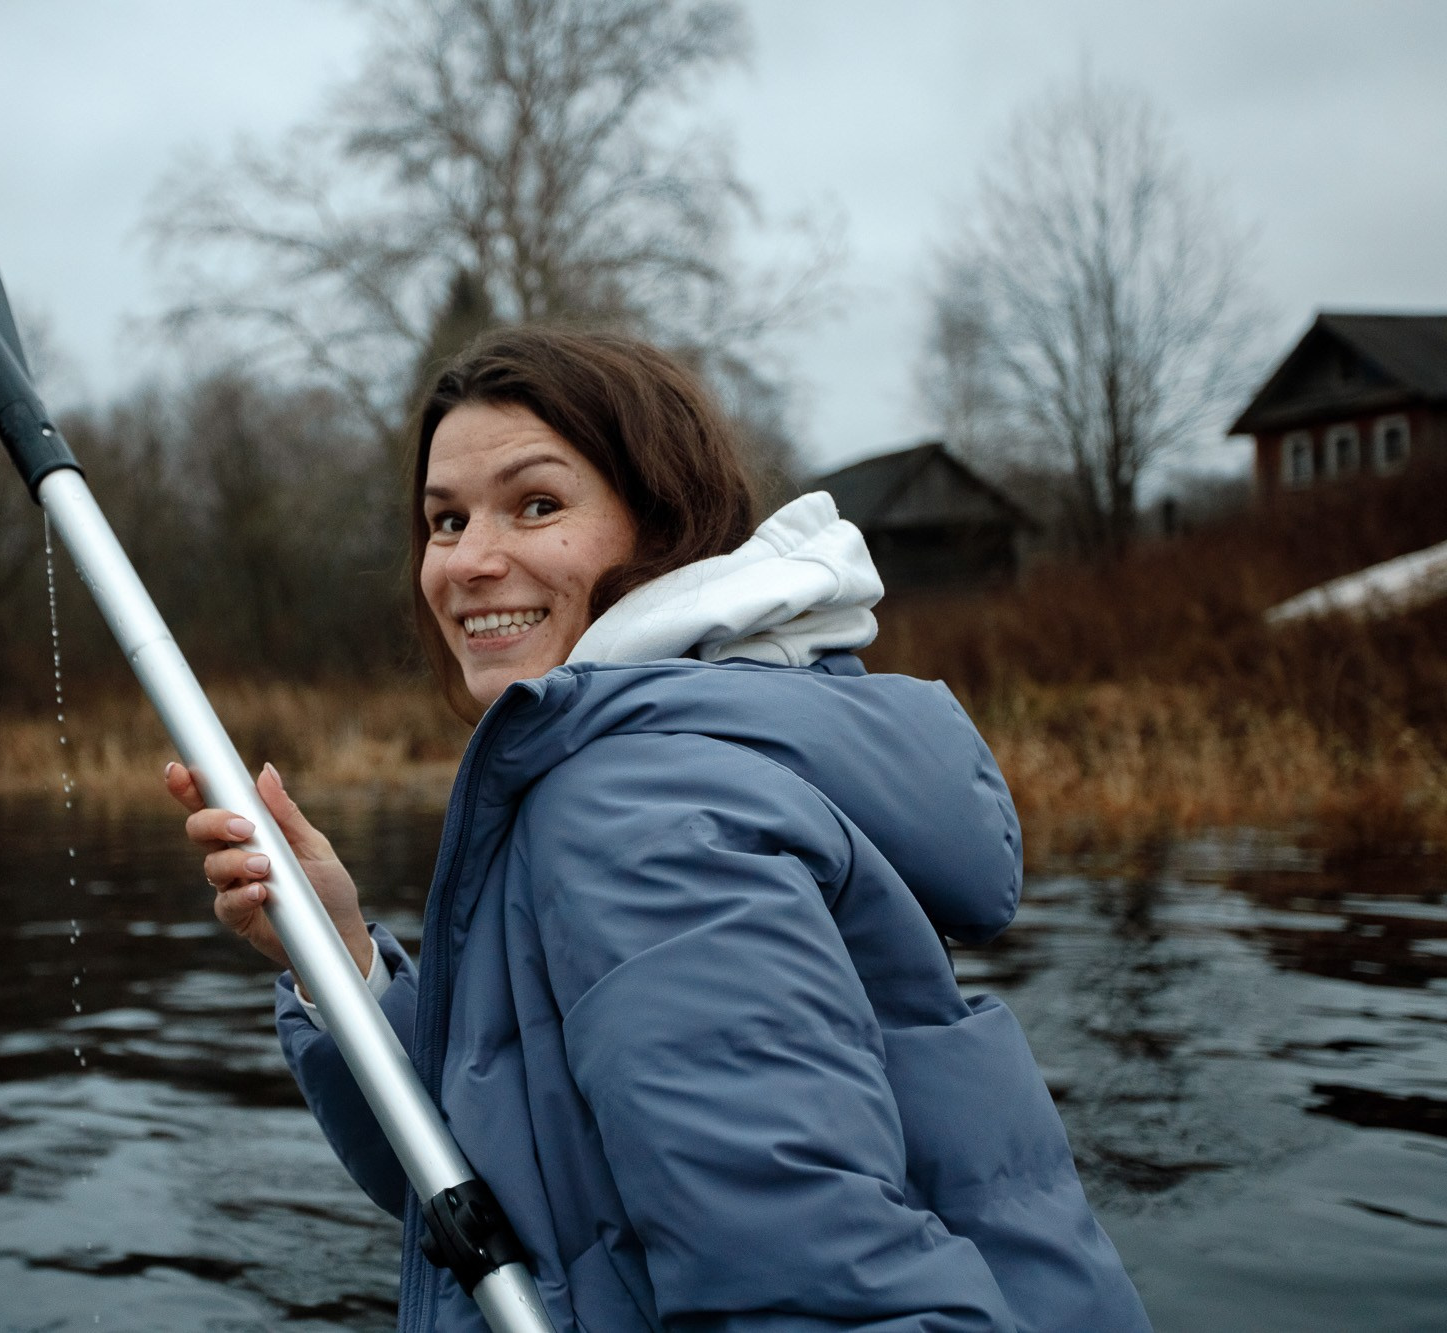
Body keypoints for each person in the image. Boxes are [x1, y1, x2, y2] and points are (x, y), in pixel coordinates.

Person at [164, 327, 1150, 1332]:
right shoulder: (672, 753)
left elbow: (820, 1291)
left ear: (662, 526)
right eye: (445, 520)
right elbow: (509, 1180)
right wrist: (343, 959)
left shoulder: (633, 804)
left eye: (535, 504)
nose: (467, 562)